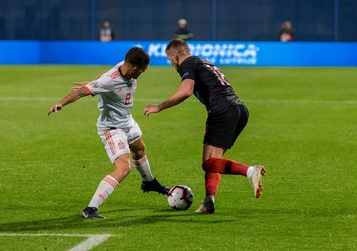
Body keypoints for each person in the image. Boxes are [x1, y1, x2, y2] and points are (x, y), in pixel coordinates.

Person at [143, 39, 265, 214]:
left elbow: (186, 90)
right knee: (212, 162)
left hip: (222, 111)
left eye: (170, 60)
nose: (171, 65)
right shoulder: (203, 62)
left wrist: (160, 106)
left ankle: (251, 171)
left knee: (209, 163)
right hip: (238, 110)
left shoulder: (188, 63)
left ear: (176, 57)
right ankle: (209, 201)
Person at [48, 47, 168, 219]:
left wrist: (91, 81)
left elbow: (106, 72)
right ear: (134, 69)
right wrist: (60, 104)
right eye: (142, 71)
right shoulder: (110, 82)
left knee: (139, 148)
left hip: (127, 121)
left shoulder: (122, 66)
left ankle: (148, 182)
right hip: (112, 128)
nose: (143, 73)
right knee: (123, 168)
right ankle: (90, 209)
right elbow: (82, 92)